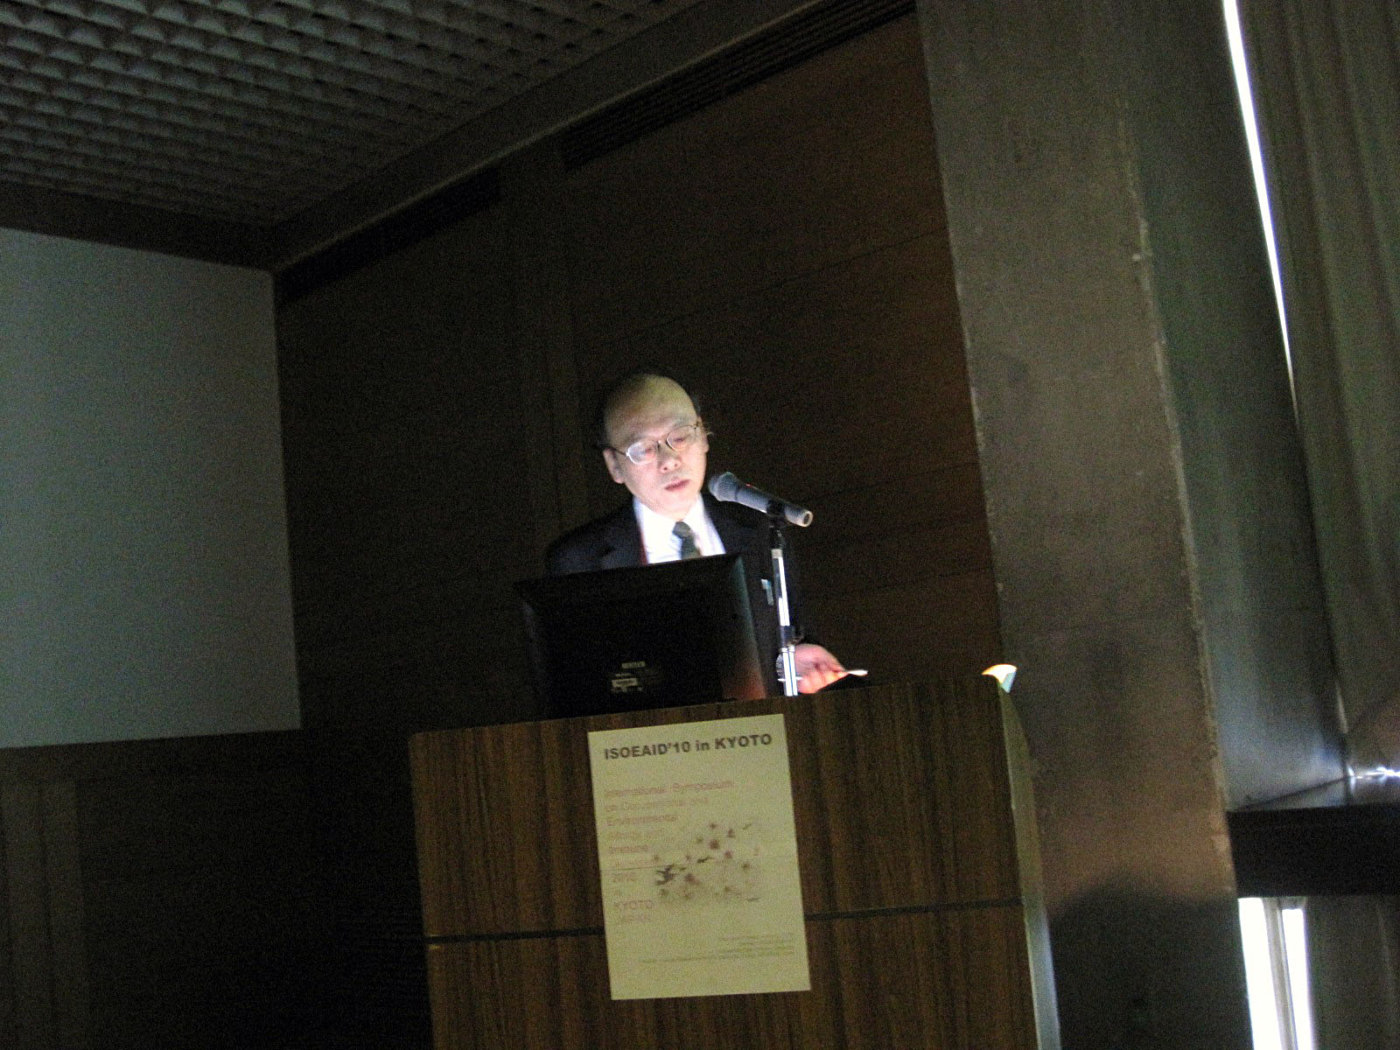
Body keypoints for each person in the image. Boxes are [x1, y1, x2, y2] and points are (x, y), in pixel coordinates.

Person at [546, 371, 848, 694]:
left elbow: (791, 640)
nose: (669, 460)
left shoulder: (760, 530)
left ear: (703, 435)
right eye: (643, 449)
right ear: (614, 465)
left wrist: (795, 665)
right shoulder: (580, 561)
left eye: (680, 436)